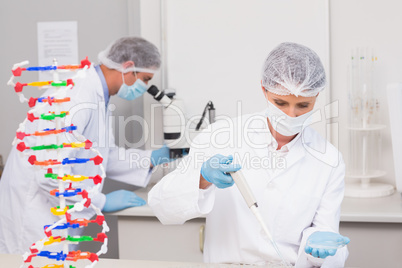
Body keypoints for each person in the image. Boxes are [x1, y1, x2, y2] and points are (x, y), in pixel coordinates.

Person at [148, 42, 350, 267]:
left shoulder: (329, 159)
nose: (291, 115)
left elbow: (326, 237)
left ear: (317, 96)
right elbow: (161, 206)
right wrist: (202, 178)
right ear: (264, 89)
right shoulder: (222, 136)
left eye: (303, 105)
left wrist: (319, 247)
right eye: (281, 102)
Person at [0, 37, 172, 254]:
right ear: (128, 67)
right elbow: (49, 172)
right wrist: (101, 200)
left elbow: (101, 157)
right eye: (145, 79)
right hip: (33, 217)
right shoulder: (75, 96)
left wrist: (150, 159)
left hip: (56, 216)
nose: (145, 86)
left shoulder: (98, 96)